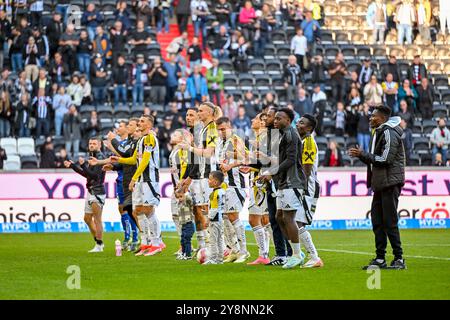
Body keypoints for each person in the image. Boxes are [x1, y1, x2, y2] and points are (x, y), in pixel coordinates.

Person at [348, 105, 406, 270]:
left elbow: (385, 159)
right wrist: (361, 156)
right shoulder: (379, 132)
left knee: (390, 221)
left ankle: (399, 258)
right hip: (381, 183)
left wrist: (363, 154)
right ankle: (380, 258)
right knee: (378, 221)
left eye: (374, 116)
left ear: (383, 118)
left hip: (389, 182)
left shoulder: (389, 132)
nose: (371, 118)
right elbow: (375, 160)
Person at [259, 108, 307, 269]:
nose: (276, 121)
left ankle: (296, 254)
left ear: (288, 120)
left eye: (280, 118)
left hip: (292, 182)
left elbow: (291, 160)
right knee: (279, 217)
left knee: (288, 218)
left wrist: (271, 172)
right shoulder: (282, 135)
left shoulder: (291, 135)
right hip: (283, 183)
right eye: (276, 118)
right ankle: (295, 252)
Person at [111, 115, 163, 256]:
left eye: (142, 121)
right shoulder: (141, 140)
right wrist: (119, 159)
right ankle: (146, 242)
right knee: (137, 211)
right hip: (140, 179)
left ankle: (157, 243)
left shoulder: (150, 138)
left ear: (149, 124)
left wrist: (133, 178)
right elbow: (135, 159)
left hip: (149, 179)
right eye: (139, 121)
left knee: (148, 209)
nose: (139, 123)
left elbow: (145, 161)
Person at [179, 103, 220, 251]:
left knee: (213, 212)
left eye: (201, 111)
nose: (199, 113)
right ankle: (209, 246)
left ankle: (218, 247)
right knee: (204, 211)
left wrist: (189, 147)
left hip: (211, 174)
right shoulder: (202, 130)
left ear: (209, 113)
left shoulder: (212, 128)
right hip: (203, 175)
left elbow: (209, 153)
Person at [215, 117, 250, 263]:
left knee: (233, 216)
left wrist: (231, 165)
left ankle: (244, 251)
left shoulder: (236, 140)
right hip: (225, 185)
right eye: (219, 130)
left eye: (224, 129)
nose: (221, 132)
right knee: (225, 218)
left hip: (236, 185)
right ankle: (234, 250)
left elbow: (247, 158)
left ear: (230, 127)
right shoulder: (221, 143)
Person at [102, 118, 140, 252]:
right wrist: (111, 166)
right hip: (121, 179)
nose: (118, 128)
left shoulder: (128, 143)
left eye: (122, 126)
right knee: (122, 208)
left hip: (130, 178)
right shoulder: (124, 143)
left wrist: (112, 144)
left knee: (131, 209)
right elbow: (120, 160)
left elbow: (124, 156)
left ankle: (136, 238)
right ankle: (127, 236)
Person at [64, 137, 106, 253]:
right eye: (90, 143)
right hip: (91, 191)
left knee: (97, 219)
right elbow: (87, 174)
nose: (91, 145)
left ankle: (99, 244)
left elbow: (95, 176)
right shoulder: (92, 156)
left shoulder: (100, 158)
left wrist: (83, 165)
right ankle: (98, 242)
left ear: (100, 145)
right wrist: (73, 166)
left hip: (97, 192)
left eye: (94, 143)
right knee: (87, 219)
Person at [242, 113, 271, 265]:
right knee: (265, 220)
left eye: (255, 118)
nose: (252, 120)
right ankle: (269, 254)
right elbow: (258, 162)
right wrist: (250, 167)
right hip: (257, 181)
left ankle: (265, 255)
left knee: (254, 219)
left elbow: (268, 161)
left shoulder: (264, 138)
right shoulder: (258, 140)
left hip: (261, 184)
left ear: (262, 122)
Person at [295, 114, 323, 268]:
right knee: (293, 221)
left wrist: (300, 188)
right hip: (301, 185)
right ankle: (301, 254)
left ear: (309, 128)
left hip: (307, 186)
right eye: (298, 121)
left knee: (297, 221)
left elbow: (306, 169)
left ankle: (314, 257)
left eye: (301, 123)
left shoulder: (309, 143)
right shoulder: (302, 141)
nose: (298, 124)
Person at [203, 170, 226, 264]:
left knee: (213, 240)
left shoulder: (215, 193)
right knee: (220, 239)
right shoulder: (222, 191)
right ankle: (220, 259)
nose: (208, 181)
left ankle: (212, 259)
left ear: (215, 182)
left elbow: (215, 208)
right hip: (220, 218)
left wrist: (208, 219)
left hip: (215, 219)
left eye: (210, 179)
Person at [174, 189, 195, 260]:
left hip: (189, 224)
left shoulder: (187, 202)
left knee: (187, 240)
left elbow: (190, 200)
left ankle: (188, 255)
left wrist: (185, 193)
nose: (179, 199)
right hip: (183, 225)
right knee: (182, 240)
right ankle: (183, 254)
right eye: (178, 197)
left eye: (181, 196)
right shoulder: (179, 204)